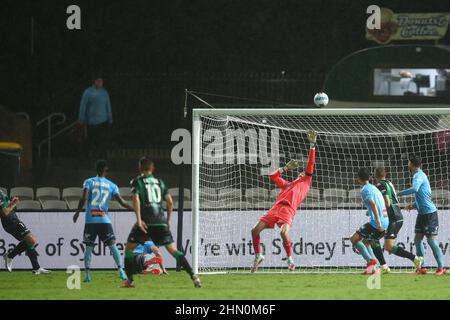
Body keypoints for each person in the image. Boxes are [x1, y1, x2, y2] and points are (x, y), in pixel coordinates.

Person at [122, 157, 201, 288]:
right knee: (173, 250)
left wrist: (139, 220)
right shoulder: (160, 182)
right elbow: (170, 202)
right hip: (161, 221)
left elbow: (136, 199)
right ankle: (194, 276)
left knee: (129, 249)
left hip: (146, 221)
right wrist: (168, 220)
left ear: (140, 168)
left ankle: (129, 281)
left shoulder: (137, 181)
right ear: (152, 169)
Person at [250, 131, 317, 272]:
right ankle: (258, 256)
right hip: (275, 208)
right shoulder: (287, 184)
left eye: (304, 172)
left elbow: (311, 163)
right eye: (301, 172)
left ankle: (290, 259)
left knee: (283, 233)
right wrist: (285, 168)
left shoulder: (306, 183)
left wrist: (312, 145)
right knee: (255, 230)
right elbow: (273, 176)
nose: (302, 172)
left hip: (288, 210)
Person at [73, 160, 134, 282]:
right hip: (104, 220)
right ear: (106, 170)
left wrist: (78, 212)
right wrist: (134, 209)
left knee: (89, 247)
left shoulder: (89, 182)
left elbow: (83, 198)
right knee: (112, 245)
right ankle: (121, 270)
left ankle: (88, 275)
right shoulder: (112, 185)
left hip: (91, 220)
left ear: (96, 169)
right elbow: (122, 202)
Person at [397, 155, 446, 275]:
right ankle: (422, 267)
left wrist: (398, 193)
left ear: (411, 164)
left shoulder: (418, 175)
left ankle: (441, 268)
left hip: (430, 214)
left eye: (408, 162)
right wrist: (413, 205)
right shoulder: (419, 175)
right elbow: (422, 195)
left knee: (431, 241)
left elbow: (415, 189)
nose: (407, 164)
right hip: (422, 213)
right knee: (417, 240)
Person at [372, 167, 422, 273]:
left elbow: (387, 203)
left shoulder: (380, 185)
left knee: (382, 243)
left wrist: (378, 209)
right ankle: (385, 266)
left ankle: (415, 259)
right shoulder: (389, 183)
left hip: (393, 218)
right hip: (396, 217)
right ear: (385, 174)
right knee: (387, 246)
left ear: (375, 175)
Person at [350, 168, 389, 275]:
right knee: (367, 242)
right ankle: (373, 269)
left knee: (354, 239)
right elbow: (381, 204)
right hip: (386, 220)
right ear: (370, 177)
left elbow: (373, 204)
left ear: (358, 178)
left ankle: (370, 261)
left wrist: (378, 222)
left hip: (377, 223)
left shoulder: (365, 190)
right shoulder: (374, 188)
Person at [1, 189, 50, 274]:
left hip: (13, 220)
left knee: (29, 241)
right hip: (11, 222)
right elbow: (5, 213)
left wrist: (12, 203)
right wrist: (14, 204)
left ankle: (36, 268)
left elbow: (6, 207)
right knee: (31, 240)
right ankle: (9, 256)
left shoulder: (1, 192)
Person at [78, 77, 113, 160]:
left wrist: (110, 117)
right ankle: (88, 156)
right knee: (91, 139)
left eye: (101, 81)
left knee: (102, 139)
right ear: (95, 82)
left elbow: (108, 105)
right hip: (91, 121)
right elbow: (83, 105)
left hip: (103, 120)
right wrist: (81, 119)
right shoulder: (88, 92)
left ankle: (102, 156)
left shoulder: (104, 92)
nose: (101, 83)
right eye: (99, 81)